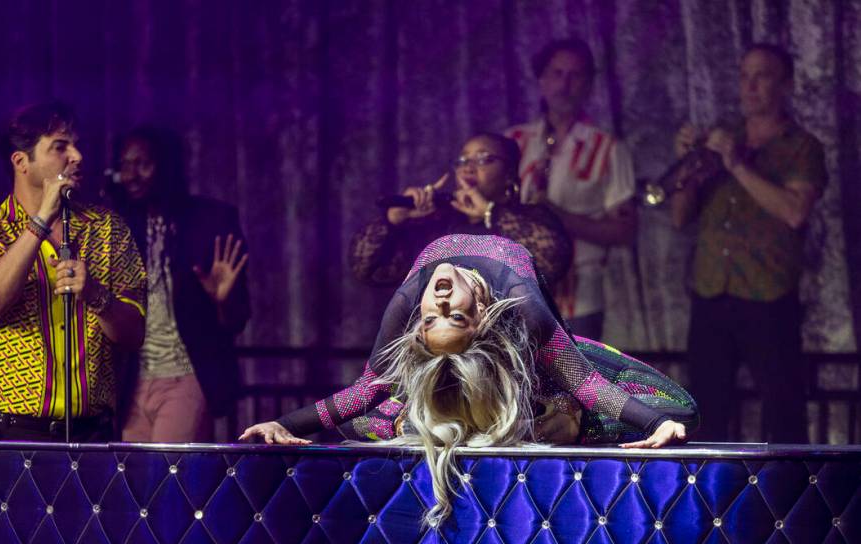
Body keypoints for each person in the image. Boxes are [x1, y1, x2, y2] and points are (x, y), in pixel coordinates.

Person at [242, 233, 696, 524]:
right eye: (449, 315)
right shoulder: (517, 305)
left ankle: (553, 421)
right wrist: (285, 425)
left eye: (437, 316)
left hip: (545, 378)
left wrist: (655, 421)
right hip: (511, 387)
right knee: (366, 424)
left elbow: (586, 385)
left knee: (681, 410)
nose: (437, 300)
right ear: (478, 317)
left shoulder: (418, 303)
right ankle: (487, 424)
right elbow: (366, 391)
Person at [0, 101, 146, 544]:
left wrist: (98, 295)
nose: (77, 155)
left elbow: (134, 334)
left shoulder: (106, 229)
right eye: (60, 146)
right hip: (2, 439)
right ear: (23, 161)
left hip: (88, 439)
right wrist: (39, 225)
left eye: (76, 143)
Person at [668, 43, 827, 443]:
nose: (750, 86)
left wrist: (736, 164)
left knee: (783, 410)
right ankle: (708, 497)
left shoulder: (802, 146)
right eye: (744, 76)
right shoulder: (720, 140)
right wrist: (686, 165)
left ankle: (793, 499)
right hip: (710, 292)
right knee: (704, 410)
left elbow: (794, 211)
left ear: (786, 84)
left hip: (767, 296)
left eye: (762, 76)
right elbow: (679, 216)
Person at [111, 125, 250, 446]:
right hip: (130, 381)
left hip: (185, 375)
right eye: (124, 165)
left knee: (170, 483)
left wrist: (221, 300)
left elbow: (238, 318)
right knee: (133, 486)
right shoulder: (116, 225)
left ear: (166, 165)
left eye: (142, 163)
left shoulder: (210, 219)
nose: (131, 175)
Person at [505, 37, 637, 340]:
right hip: (514, 289)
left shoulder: (609, 149)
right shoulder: (513, 142)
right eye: (557, 73)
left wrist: (557, 216)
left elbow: (625, 231)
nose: (565, 84)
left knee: (575, 383)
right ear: (540, 80)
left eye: (575, 75)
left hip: (580, 297)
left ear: (589, 84)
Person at [350, 132, 572, 291]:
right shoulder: (437, 222)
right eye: (463, 160)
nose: (469, 167)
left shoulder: (531, 218)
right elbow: (366, 270)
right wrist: (394, 220)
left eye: (484, 159)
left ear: (509, 175)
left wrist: (489, 212)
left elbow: (553, 262)